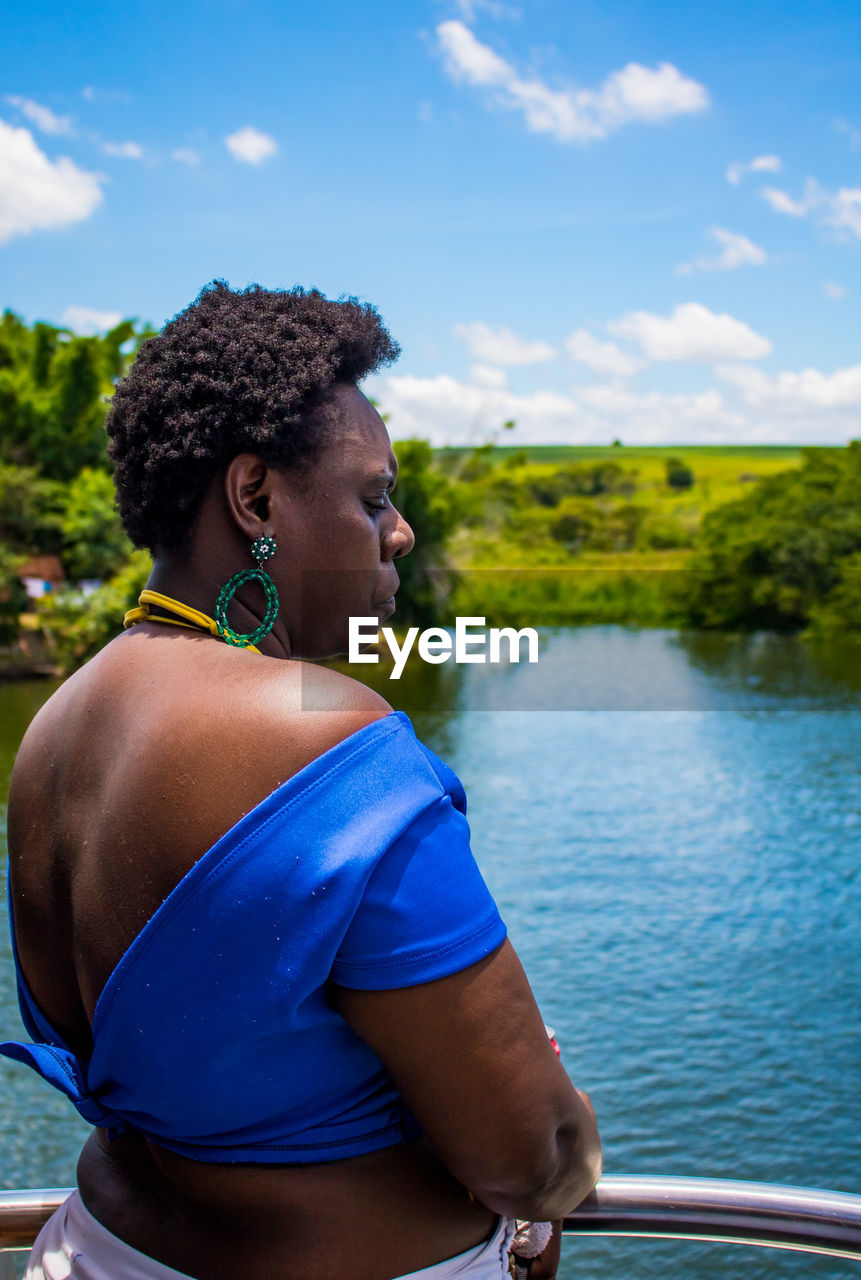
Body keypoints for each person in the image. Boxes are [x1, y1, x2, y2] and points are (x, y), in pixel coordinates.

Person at [1, 282, 601, 1280]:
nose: (399, 531)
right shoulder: (328, 736)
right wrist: (552, 1125)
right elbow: (533, 1158)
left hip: (101, 1250)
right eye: (372, 497)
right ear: (258, 502)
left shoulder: (56, 728)